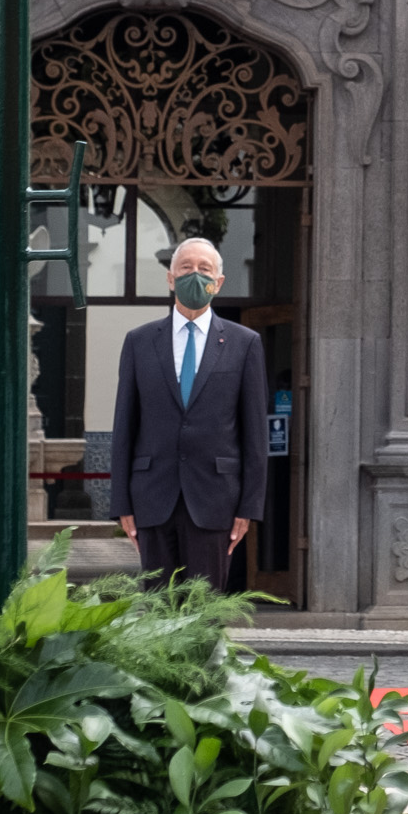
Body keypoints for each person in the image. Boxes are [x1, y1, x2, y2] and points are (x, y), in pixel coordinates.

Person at [110, 237, 268, 587]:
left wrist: (248, 508)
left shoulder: (245, 344)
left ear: (219, 282)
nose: (194, 276)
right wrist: (121, 502)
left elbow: (255, 433)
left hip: (215, 499)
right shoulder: (140, 341)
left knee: (203, 612)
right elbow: (124, 426)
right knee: (157, 610)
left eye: (204, 269)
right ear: (170, 278)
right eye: (186, 269)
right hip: (152, 496)